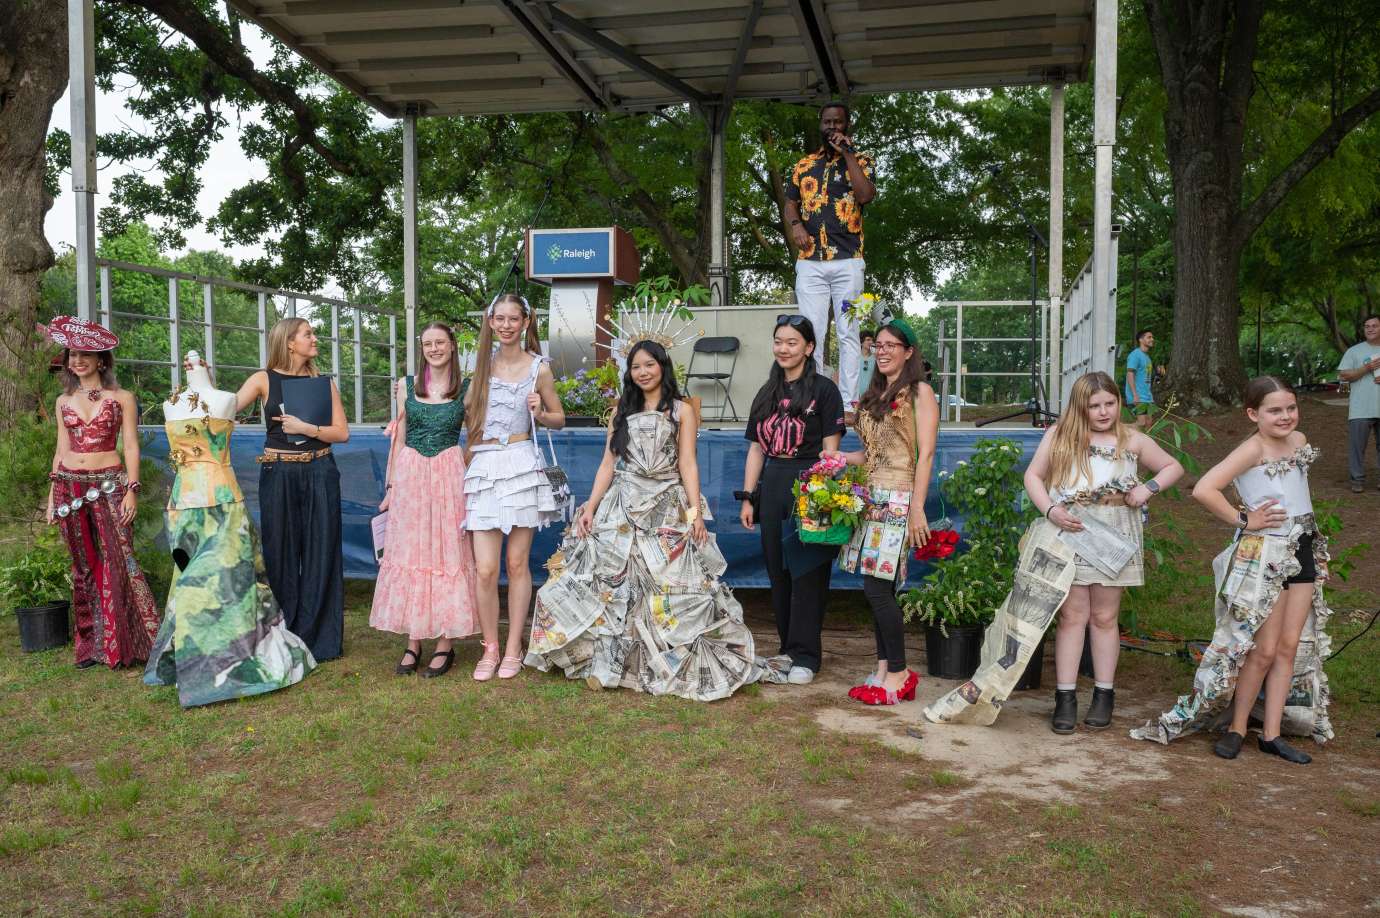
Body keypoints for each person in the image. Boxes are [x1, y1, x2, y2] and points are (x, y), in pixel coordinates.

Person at [924, 371, 1183, 730]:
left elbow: (1173, 466)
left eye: (1110, 403)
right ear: (1081, 407)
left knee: (1105, 618)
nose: (1104, 411)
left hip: (1114, 537)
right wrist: (1050, 509)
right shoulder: (1060, 437)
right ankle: (1066, 697)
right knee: (1073, 616)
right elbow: (1033, 476)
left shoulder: (1131, 439)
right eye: (1095, 405)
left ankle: (1104, 694)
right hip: (1070, 531)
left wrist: (1148, 488)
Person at [528, 340, 777, 699]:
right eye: (636, 367)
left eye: (649, 365)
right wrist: (591, 506)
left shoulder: (681, 411)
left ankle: (663, 658)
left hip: (666, 507)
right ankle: (612, 662)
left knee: (668, 587)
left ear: (663, 366)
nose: (643, 372)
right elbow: (607, 464)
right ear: (629, 373)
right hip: (623, 507)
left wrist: (694, 515)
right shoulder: (620, 412)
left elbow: (688, 464)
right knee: (614, 588)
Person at [1133, 377, 1335, 763]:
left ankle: (1271, 734)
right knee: (1263, 648)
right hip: (1267, 555)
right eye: (1274, 410)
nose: (1286, 416)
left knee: (1289, 646)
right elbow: (1205, 488)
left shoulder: (1299, 441)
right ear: (1252, 414)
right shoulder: (1252, 449)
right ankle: (1238, 727)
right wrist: (1244, 519)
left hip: (1303, 547)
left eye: (1290, 408)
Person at [144, 352, 316, 705]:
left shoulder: (224, 400)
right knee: (189, 580)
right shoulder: (169, 403)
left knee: (231, 579)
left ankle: (233, 657)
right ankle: (196, 660)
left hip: (223, 499)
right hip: (183, 504)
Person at [827, 318, 938, 705]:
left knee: (878, 589)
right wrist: (838, 459)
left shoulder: (920, 392)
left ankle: (900, 672)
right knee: (876, 589)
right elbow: (870, 456)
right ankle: (883, 667)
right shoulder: (875, 394)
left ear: (909, 352)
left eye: (893, 345)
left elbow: (924, 456)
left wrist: (917, 509)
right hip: (871, 499)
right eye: (880, 345)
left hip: (899, 498)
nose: (884, 350)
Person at [43, 317, 160, 669]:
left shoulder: (122, 397)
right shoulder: (63, 401)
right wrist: (51, 498)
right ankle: (91, 645)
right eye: (72, 355)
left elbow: (132, 447)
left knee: (119, 559)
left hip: (110, 484)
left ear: (101, 360)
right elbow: (60, 448)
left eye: (85, 355)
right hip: (69, 486)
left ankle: (127, 642)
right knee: (84, 565)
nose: (77, 361)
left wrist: (132, 490)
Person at [232, 317, 349, 663]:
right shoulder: (262, 379)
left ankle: (320, 640)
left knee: (321, 552)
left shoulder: (322, 383)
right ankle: (282, 635)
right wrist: (204, 383)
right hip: (279, 472)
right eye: (308, 334)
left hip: (321, 470)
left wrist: (307, 427)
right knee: (280, 552)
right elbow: (227, 409)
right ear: (288, 342)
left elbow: (342, 433)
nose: (315, 339)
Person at [739, 316, 846, 685]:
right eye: (779, 341)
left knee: (808, 572)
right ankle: (787, 650)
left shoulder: (825, 391)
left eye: (792, 342)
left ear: (809, 348)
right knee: (778, 571)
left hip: (810, 485)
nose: (783, 348)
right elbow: (755, 449)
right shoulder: (766, 391)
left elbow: (832, 452)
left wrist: (821, 495)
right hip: (772, 484)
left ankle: (807, 657)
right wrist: (749, 497)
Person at [463, 293, 565, 681]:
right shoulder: (478, 367)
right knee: (485, 569)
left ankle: (513, 647)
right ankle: (489, 647)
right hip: (485, 466)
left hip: (522, 462)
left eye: (513, 319)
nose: (506, 325)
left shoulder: (538, 368)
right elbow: (464, 417)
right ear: (491, 322)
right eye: (499, 319)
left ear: (526, 322)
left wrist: (541, 412)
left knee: (516, 563)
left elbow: (559, 419)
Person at [369, 323, 479, 677]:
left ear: (452, 347)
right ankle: (414, 640)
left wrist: (464, 468)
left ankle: (445, 641)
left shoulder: (467, 387)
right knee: (412, 551)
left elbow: (475, 436)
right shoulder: (406, 385)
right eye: (427, 343)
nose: (434, 348)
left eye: (440, 343)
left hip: (448, 473)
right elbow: (399, 437)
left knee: (445, 551)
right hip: (412, 473)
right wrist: (392, 486)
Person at [783, 101, 876, 418]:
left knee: (849, 332)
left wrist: (848, 154)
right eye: (827, 123)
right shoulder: (804, 164)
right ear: (820, 125)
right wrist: (795, 225)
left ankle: (850, 403)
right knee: (812, 333)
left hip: (849, 260)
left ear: (847, 126)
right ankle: (816, 402)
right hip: (810, 262)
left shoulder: (862, 161)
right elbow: (790, 203)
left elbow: (865, 195)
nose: (832, 128)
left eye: (838, 123)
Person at [1338, 314, 1380, 493]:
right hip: (1360, 408)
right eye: (1367, 326)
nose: (1370, 329)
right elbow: (1344, 375)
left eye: (1374, 326)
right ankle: (1357, 480)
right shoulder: (1354, 351)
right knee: (1357, 447)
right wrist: (1367, 368)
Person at [1125, 329, 1154, 428]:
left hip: (1147, 396)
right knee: (1141, 423)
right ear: (1141, 340)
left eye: (1152, 337)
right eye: (1149, 337)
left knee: (1148, 423)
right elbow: (1130, 374)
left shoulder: (1147, 357)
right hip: (1138, 396)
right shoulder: (1135, 355)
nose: (1152, 339)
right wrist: (1134, 395)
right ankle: (1118, 429)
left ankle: (1142, 443)